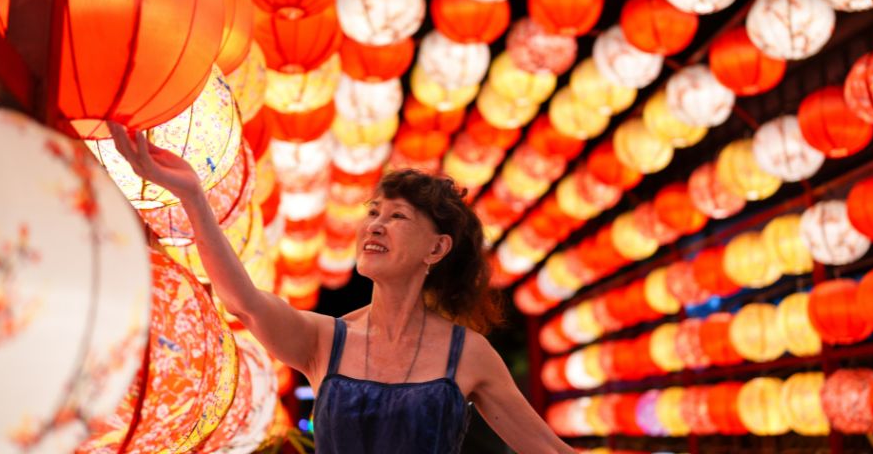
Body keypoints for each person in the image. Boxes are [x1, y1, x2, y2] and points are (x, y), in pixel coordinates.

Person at [109, 124, 575, 454]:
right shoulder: (325, 340)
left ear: (436, 248)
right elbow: (245, 305)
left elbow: (550, 450)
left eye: (397, 217)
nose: (375, 225)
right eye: (373, 212)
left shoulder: (467, 355)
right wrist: (192, 194)